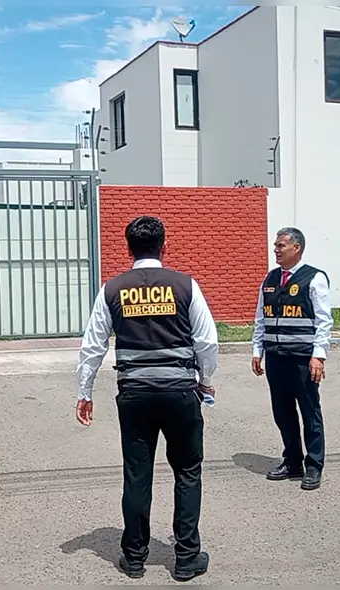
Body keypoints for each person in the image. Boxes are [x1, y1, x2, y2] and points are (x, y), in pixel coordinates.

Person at [76, 215, 218, 582]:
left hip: (135, 394)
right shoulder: (186, 285)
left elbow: (93, 344)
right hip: (179, 394)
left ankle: (135, 557)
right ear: (164, 245)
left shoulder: (113, 288)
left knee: (137, 474)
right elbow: (207, 341)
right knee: (187, 471)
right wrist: (205, 379)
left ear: (128, 248)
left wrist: (85, 391)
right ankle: (186, 557)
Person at [251, 227, 333, 491]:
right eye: (275, 245)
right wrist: (257, 350)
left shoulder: (314, 278)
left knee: (310, 413)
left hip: (302, 360)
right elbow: (260, 318)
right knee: (283, 413)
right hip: (276, 358)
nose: (276, 249)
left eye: (280, 245)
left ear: (296, 248)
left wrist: (318, 356)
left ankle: (313, 465)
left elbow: (324, 321)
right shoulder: (271, 278)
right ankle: (292, 461)